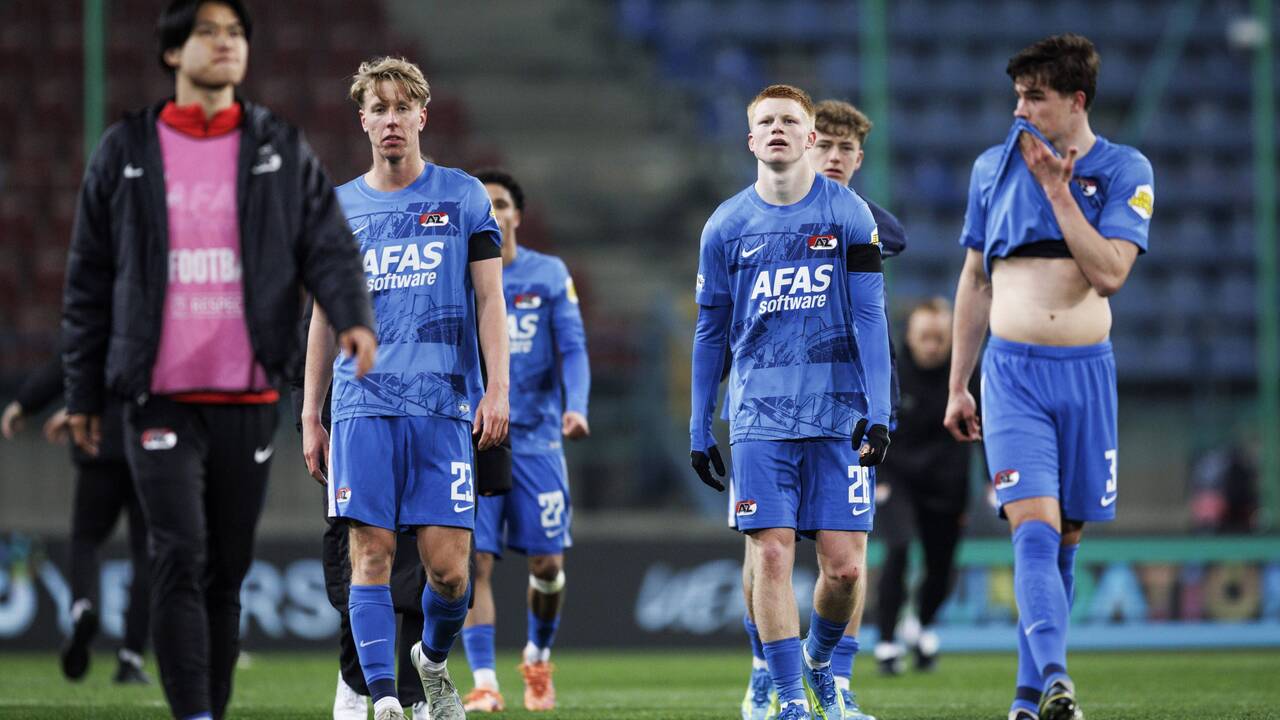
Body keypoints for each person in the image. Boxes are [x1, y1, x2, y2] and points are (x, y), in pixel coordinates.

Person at [60, 1, 377, 717]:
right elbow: (87, 280)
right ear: (173, 52)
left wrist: (353, 317)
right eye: (207, 32)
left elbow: (326, 244)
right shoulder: (125, 149)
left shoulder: (278, 146)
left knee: (226, 573)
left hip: (248, 395)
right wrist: (81, 393)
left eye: (235, 33)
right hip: (159, 397)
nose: (225, 43)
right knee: (179, 554)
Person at [944, 34, 1153, 720]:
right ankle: (1060, 680)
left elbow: (1111, 273)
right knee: (1032, 528)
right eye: (1017, 96)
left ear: (1076, 101)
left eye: (1035, 97)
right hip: (1013, 376)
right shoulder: (991, 168)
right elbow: (975, 279)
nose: (1020, 110)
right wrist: (959, 383)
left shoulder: (1124, 169)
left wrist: (1060, 195)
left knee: (1065, 541)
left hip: (1086, 377)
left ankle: (1027, 700)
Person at [301, 56, 509, 720]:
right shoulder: (337, 209)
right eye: (378, 109)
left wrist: (497, 389)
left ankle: (432, 662)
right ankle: (385, 698)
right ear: (362, 121)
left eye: (401, 107)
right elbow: (323, 318)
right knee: (371, 552)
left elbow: (490, 300)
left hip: (443, 408)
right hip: (361, 406)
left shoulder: (464, 197)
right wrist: (310, 414)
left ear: (422, 115)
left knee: (449, 571)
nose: (391, 119)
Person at [690, 84, 892, 720]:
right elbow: (710, 333)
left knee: (845, 570)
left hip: (840, 414)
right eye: (766, 121)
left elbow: (871, 318)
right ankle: (786, 699)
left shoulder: (849, 214)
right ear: (751, 139)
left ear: (810, 137)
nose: (778, 129)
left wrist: (880, 414)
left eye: (790, 121)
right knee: (771, 552)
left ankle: (818, 663)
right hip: (759, 418)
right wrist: (699, 425)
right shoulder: (725, 225)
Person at [459, 169, 590, 713]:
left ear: (517, 214)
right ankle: (485, 682)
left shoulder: (549, 273)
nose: (493, 211)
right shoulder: (461, 272)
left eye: (501, 203)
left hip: (538, 440)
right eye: (485, 204)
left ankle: (537, 659)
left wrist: (576, 406)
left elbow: (573, 349)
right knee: (475, 564)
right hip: (480, 437)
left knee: (547, 566)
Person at [288, 312, 427, 720]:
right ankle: (354, 678)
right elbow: (314, 330)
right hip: (348, 408)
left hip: (424, 401)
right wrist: (310, 415)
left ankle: (417, 689)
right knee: (355, 544)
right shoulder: (337, 273)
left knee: (427, 543)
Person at [2, 355, 151, 685]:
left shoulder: (98, 324)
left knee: (86, 539)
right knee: (145, 553)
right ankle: (131, 657)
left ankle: (83, 606)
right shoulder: (154, 324)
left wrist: (25, 404)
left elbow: (72, 358)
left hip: (99, 439)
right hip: (148, 442)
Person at [873, 298, 970, 675]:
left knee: (941, 563)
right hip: (896, 475)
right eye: (924, 337)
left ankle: (922, 625)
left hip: (947, 480)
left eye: (939, 338)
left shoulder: (965, 372)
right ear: (910, 337)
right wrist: (876, 475)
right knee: (897, 547)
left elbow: (984, 426)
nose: (932, 345)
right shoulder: (890, 370)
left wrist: (992, 478)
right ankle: (886, 642)